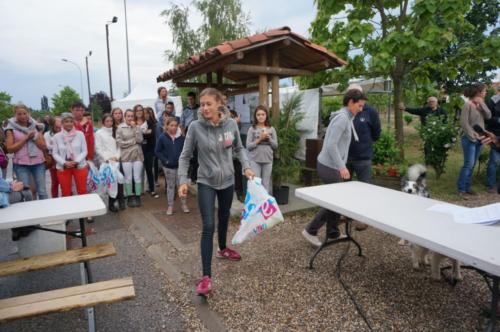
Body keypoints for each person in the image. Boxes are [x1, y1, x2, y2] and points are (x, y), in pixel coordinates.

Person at [178, 87, 254, 296]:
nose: (204, 108)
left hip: (228, 180)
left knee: (224, 216)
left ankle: (222, 249)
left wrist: (246, 166)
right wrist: (183, 180)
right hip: (206, 181)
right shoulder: (195, 127)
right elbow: (185, 156)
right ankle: (206, 277)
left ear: (219, 104)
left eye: (208, 104)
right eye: (202, 105)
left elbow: (239, 148)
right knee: (208, 225)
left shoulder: (230, 124)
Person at [302, 89, 367, 246]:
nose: (361, 109)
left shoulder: (346, 116)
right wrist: (342, 167)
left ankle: (333, 232)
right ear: (350, 102)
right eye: (359, 105)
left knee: (336, 201)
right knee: (335, 202)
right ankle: (311, 230)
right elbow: (330, 145)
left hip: (329, 165)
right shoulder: (343, 119)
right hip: (329, 166)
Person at [346, 84, 381, 231]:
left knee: (364, 189)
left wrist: (364, 143)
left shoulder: (370, 112)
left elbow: (377, 133)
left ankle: (362, 219)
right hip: (345, 158)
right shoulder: (344, 112)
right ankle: (345, 215)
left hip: (363, 157)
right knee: (344, 189)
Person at [5, 104, 48, 200]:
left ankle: (46, 211)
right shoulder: (10, 129)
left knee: (42, 190)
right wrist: (26, 138)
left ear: (28, 114)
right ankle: (29, 213)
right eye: (19, 114)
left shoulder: (36, 126)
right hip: (21, 164)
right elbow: (10, 149)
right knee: (26, 191)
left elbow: (43, 146)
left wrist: (35, 137)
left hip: (38, 162)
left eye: (24, 113)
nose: (22, 116)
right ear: (15, 115)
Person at [457, 83, 491, 199]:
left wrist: (481, 103)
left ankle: (467, 187)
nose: (486, 93)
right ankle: (461, 189)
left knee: (472, 164)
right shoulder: (467, 105)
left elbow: (489, 116)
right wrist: (473, 136)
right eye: (484, 91)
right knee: (468, 164)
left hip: (480, 139)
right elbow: (464, 123)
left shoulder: (481, 104)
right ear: (479, 92)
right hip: (469, 138)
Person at [156, 117, 189, 215]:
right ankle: (170, 206)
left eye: (176, 125)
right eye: (171, 125)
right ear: (167, 126)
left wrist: (185, 161)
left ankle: (184, 204)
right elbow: (157, 151)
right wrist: (165, 161)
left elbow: (186, 150)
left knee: (182, 185)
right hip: (168, 167)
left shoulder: (181, 137)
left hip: (181, 166)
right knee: (171, 186)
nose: (174, 127)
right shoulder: (162, 137)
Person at [51, 113, 88, 197]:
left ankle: (83, 208)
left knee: (82, 191)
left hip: (79, 165)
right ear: (62, 123)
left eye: (71, 121)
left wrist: (76, 161)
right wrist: (64, 162)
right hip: (63, 166)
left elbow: (84, 151)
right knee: (65, 192)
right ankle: (68, 209)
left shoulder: (80, 134)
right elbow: (55, 153)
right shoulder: (57, 137)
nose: (69, 123)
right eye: (66, 121)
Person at [246, 105, 278, 193]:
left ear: (266, 115)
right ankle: (257, 205)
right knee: (256, 184)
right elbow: (248, 146)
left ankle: (265, 205)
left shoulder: (271, 129)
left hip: (268, 160)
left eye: (263, 114)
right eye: (258, 114)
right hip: (255, 160)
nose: (260, 116)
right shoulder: (252, 129)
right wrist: (260, 139)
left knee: (265, 184)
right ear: (255, 116)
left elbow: (275, 146)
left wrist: (269, 138)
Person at [95, 114, 123, 212]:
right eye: (107, 121)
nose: (109, 123)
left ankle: (113, 202)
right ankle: (104, 203)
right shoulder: (99, 133)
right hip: (106, 161)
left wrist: (117, 157)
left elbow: (119, 146)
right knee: (109, 182)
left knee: (116, 181)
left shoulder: (116, 131)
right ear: (103, 122)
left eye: (111, 121)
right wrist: (107, 158)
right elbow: (98, 148)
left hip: (116, 160)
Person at [116, 109, 144, 207]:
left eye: (132, 116)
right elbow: (120, 143)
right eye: (128, 116)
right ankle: (129, 197)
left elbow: (140, 140)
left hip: (137, 154)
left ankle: (137, 197)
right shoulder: (120, 128)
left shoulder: (137, 127)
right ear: (125, 117)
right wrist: (132, 142)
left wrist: (135, 128)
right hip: (126, 156)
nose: (130, 118)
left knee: (137, 177)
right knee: (128, 178)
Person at [139, 105, 159, 198]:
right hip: (139, 149)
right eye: (144, 113)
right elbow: (142, 135)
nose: (146, 114)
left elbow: (151, 134)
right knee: (139, 171)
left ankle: (152, 189)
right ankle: (140, 190)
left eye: (147, 113)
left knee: (149, 170)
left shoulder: (150, 122)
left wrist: (141, 133)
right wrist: (145, 132)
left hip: (149, 149)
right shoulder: (136, 122)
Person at [111, 107, 126, 210]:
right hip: (112, 154)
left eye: (120, 113)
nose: (118, 115)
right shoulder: (110, 126)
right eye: (116, 113)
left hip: (123, 152)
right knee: (114, 177)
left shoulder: (125, 126)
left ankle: (122, 198)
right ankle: (114, 198)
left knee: (122, 176)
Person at [485, 86, 500, 192]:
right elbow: (487, 118)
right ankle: (490, 185)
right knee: (494, 161)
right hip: (495, 135)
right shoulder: (493, 100)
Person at [44, 116, 62, 198]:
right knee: (55, 182)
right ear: (52, 125)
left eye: (60, 125)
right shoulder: (47, 134)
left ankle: (67, 197)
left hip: (63, 158)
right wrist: (58, 145)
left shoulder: (63, 133)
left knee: (64, 181)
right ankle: (54, 199)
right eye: (57, 126)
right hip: (53, 159)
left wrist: (54, 145)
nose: (59, 128)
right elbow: (47, 146)